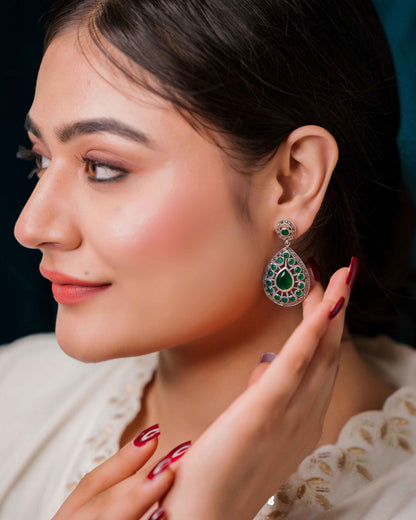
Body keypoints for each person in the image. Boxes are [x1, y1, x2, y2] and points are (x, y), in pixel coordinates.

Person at [1, 0, 415, 519]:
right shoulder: (13, 395)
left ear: (293, 181)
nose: (31, 227)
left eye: (102, 167)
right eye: (39, 160)